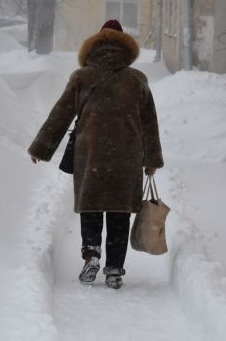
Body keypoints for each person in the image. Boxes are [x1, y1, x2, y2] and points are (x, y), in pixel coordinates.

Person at [28, 19, 164, 289]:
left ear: (93, 47)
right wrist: (151, 160)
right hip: (127, 155)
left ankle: (91, 254)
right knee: (119, 211)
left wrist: (41, 148)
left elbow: (61, 114)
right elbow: (149, 122)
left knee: (90, 206)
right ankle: (114, 268)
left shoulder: (81, 77)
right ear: (126, 49)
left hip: (90, 155)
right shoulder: (137, 80)